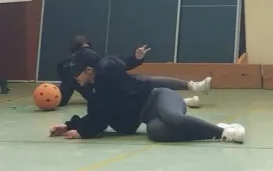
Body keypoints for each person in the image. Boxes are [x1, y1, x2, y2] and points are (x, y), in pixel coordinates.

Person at [49, 48, 245, 143]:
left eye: (77, 73)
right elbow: (97, 113)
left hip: (159, 98)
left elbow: (101, 114)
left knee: (172, 118)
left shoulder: (107, 77)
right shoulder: (97, 90)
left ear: (89, 70)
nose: (75, 78)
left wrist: (82, 131)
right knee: (155, 132)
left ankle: (223, 132)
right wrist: (71, 125)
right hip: (149, 117)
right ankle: (212, 130)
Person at [56, 35, 211, 108]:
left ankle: (194, 86)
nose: (87, 53)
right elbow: (62, 95)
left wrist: (136, 58)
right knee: (134, 98)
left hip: (119, 89)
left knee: (143, 82)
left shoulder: (96, 62)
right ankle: (183, 101)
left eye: (88, 49)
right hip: (112, 99)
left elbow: (121, 66)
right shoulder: (70, 70)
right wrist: (51, 96)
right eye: (82, 50)